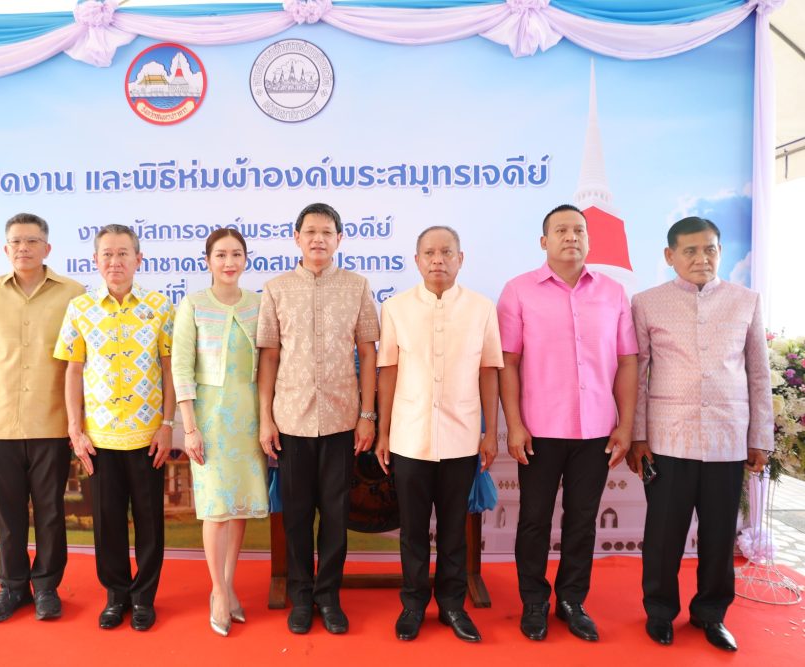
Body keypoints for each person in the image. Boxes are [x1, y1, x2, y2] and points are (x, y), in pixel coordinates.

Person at [628, 216, 771, 652]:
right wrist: (638, 437)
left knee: (719, 535)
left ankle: (711, 614)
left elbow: (758, 373)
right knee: (663, 534)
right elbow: (637, 374)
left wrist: (760, 437)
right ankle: (659, 612)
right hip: (668, 440)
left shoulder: (746, 301)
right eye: (689, 250)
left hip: (728, 439)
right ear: (670, 255)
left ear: (720, 252)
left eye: (709, 249)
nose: (701, 258)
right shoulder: (647, 303)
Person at [497, 204, 637, 643]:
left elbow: (627, 361)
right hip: (538, 430)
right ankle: (534, 601)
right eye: (561, 230)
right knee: (534, 520)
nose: (571, 237)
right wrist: (513, 424)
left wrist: (626, 425)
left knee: (582, 520)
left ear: (590, 240)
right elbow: (508, 363)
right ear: (544, 241)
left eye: (579, 230)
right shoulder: (518, 291)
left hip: (597, 430)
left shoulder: (613, 293)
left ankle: (572, 601)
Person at [375, 226, 503, 643]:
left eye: (446, 252)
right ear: (416, 260)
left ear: (460, 259)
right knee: (413, 530)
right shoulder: (395, 308)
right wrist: (383, 432)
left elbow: (488, 371)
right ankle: (413, 604)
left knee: (453, 529)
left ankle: (451, 605)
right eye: (429, 253)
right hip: (409, 437)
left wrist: (491, 432)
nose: (438, 260)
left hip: (462, 436)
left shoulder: (481, 308)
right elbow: (388, 371)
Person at [257, 202, 380, 635]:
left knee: (335, 512)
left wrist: (367, 414)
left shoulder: (357, 286)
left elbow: (368, 352)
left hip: (342, 420)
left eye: (327, 232)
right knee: (295, 515)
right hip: (291, 420)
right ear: (297, 237)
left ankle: (328, 596)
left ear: (339, 239)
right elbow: (269, 357)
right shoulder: (276, 289)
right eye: (310, 231)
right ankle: (301, 595)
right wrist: (265, 418)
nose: (318, 239)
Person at [54, 224, 176, 631]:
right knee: (107, 524)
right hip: (100, 438)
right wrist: (75, 429)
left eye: (123, 253)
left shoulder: (160, 307)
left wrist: (167, 425)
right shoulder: (80, 309)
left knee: (149, 522)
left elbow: (170, 369)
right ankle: (116, 596)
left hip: (147, 437)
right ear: (95, 260)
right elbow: (73, 371)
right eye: (107, 254)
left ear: (139, 259)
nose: (115, 261)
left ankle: (144, 598)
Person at [0, 213, 85, 623]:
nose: (23, 248)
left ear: (47, 248)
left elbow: (80, 363)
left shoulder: (73, 293)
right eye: (16, 241)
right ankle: (12, 587)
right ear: (5, 249)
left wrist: (78, 421)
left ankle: (47, 587)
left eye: (32, 241)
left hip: (53, 420)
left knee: (50, 511)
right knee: (8, 513)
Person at [172, 228, 269, 637]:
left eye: (236, 254)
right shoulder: (193, 304)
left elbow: (269, 364)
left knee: (238, 506)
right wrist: (190, 428)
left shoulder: (259, 304)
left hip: (248, 419)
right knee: (215, 508)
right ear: (208, 260)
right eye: (221, 255)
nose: (229, 262)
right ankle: (217, 592)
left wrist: (268, 419)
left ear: (246, 259)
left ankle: (229, 586)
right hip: (209, 419)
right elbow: (181, 367)